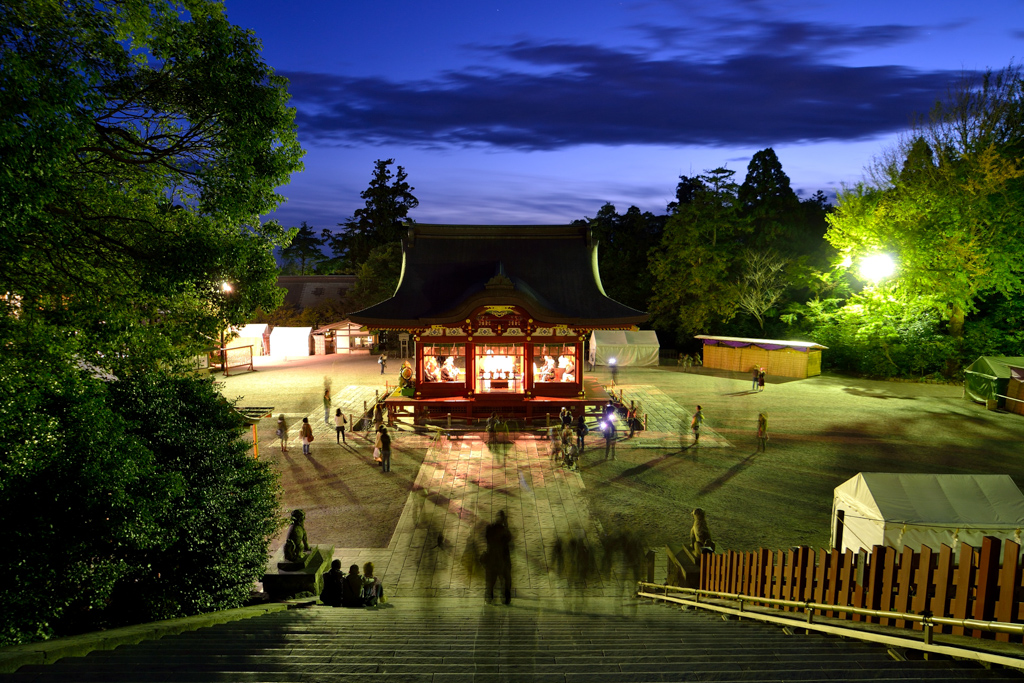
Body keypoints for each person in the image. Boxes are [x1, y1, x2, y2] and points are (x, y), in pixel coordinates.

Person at [484, 510, 513, 605]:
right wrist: (506, 526)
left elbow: (487, 538)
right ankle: (503, 597)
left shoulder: (490, 528)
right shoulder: (500, 530)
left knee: (492, 580)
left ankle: (491, 596)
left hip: (494, 559)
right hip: (501, 560)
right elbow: (509, 538)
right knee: (504, 579)